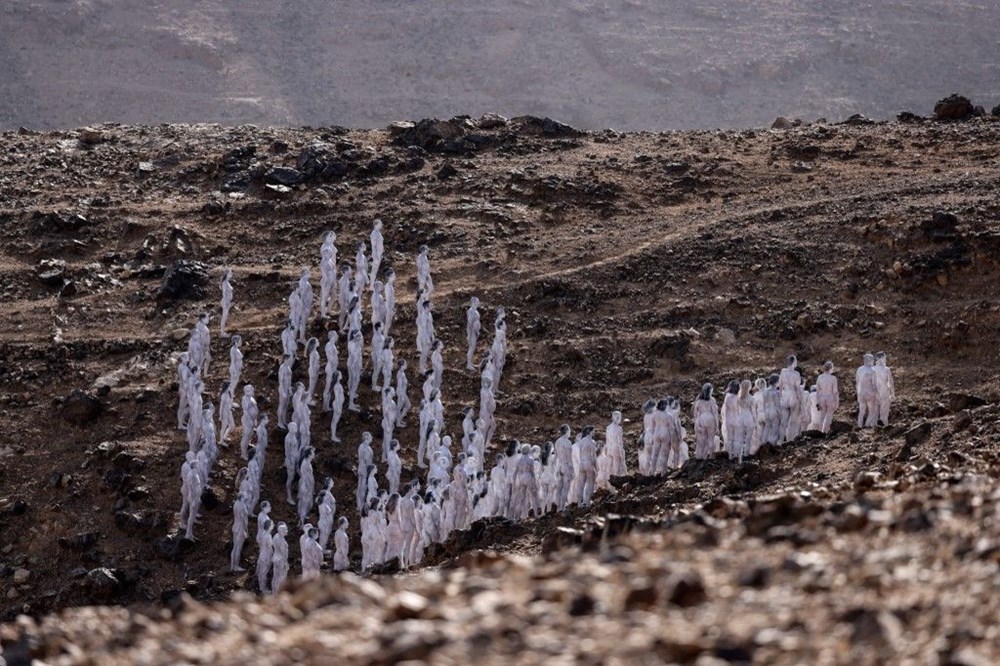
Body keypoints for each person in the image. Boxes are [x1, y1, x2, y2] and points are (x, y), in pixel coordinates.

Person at [778, 355, 803, 443]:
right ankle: (789, 440)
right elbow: (797, 389)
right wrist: (800, 401)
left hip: (785, 396)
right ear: (793, 362)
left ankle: (780, 441)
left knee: (783, 422)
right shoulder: (796, 374)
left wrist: (780, 396)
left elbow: (780, 385)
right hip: (793, 396)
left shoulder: (783, 371)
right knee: (793, 421)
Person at [693, 384, 720, 460]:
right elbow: (715, 413)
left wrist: (697, 423)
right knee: (711, 438)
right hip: (710, 418)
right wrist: (717, 425)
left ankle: (701, 456)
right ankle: (710, 455)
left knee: (703, 438)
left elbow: (695, 414)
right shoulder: (712, 400)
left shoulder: (698, 401)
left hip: (702, 419)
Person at [815, 361, 840, 433]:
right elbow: (835, 391)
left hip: (822, 397)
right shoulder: (833, 378)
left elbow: (818, 390)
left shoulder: (820, 377)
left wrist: (817, 401)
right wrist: (837, 401)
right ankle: (825, 432)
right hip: (830, 398)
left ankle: (819, 432)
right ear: (831, 368)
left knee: (822, 416)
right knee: (829, 416)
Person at [856, 353, 879, 428]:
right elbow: (874, 384)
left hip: (861, 392)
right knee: (872, 411)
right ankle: (866, 425)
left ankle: (859, 426)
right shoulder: (873, 371)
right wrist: (877, 393)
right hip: (870, 393)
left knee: (861, 411)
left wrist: (858, 394)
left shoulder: (859, 369)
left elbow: (857, 382)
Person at [874, 352, 896, 426]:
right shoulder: (886, 369)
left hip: (875, 392)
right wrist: (892, 393)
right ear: (881, 359)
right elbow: (890, 382)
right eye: (884, 358)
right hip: (884, 391)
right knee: (884, 412)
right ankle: (884, 427)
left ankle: (876, 428)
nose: (885, 360)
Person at [256, 517, 274, 594]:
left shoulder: (263, 533)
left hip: (262, 553)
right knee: (263, 573)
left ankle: (261, 587)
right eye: (272, 524)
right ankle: (262, 588)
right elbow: (270, 545)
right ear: (269, 526)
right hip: (266, 555)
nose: (273, 525)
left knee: (261, 572)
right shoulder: (268, 535)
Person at [270, 523, 289, 593]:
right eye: (286, 529)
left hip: (275, 558)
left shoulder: (276, 536)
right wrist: (286, 563)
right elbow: (283, 553)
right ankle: (279, 594)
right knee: (281, 578)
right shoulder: (281, 541)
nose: (287, 531)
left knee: (275, 577)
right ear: (282, 531)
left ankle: (274, 592)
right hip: (281, 560)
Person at [322, 331, 339, 413]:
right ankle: (325, 406)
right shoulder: (329, 345)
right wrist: (334, 364)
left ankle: (327, 405)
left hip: (333, 367)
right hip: (330, 368)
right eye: (335, 336)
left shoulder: (332, 345)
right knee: (328, 387)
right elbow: (330, 358)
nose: (336, 337)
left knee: (330, 387)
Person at [347, 329, 363, 411]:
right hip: (353, 365)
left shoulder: (357, 343)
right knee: (353, 382)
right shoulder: (351, 344)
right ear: (354, 336)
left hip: (357, 365)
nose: (360, 337)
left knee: (356, 380)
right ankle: (351, 403)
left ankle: (352, 395)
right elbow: (355, 356)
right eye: (358, 336)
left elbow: (360, 355)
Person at [466, 296, 481, 370]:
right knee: (471, 347)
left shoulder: (476, 311)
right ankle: (468, 364)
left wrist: (477, 330)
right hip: (472, 332)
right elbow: (469, 323)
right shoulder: (471, 311)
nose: (479, 303)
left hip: (475, 332)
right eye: (477, 302)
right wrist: (469, 334)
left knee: (473, 347)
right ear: (474, 302)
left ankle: (470, 362)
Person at [369, 219, 384, 285]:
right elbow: (373, 245)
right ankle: (371, 285)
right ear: (375, 225)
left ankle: (373, 283)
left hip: (379, 254)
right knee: (374, 270)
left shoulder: (378, 233)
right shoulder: (374, 233)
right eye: (380, 224)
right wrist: (375, 255)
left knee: (376, 269)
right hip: (376, 254)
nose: (381, 225)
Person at [220, 268, 234, 335]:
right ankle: (222, 333)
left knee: (225, 317)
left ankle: (223, 331)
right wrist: (226, 303)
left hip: (227, 301)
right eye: (230, 273)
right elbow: (224, 293)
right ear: (227, 274)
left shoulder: (227, 282)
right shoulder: (225, 283)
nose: (231, 274)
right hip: (226, 301)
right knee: (224, 317)